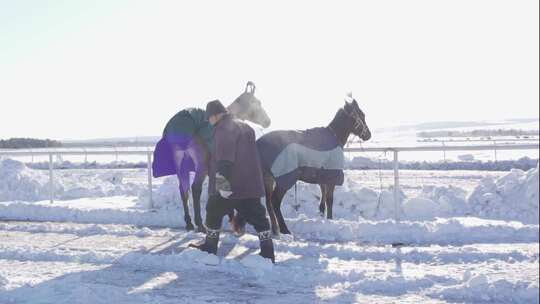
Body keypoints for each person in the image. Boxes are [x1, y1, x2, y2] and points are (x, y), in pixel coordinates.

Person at [189, 100, 275, 263]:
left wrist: (222, 183)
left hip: (231, 184)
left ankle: (210, 246)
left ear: (215, 115)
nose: (209, 122)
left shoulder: (223, 129)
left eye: (210, 118)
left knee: (213, 210)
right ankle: (268, 252)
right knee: (258, 216)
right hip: (250, 182)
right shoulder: (244, 126)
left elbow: (225, 158)